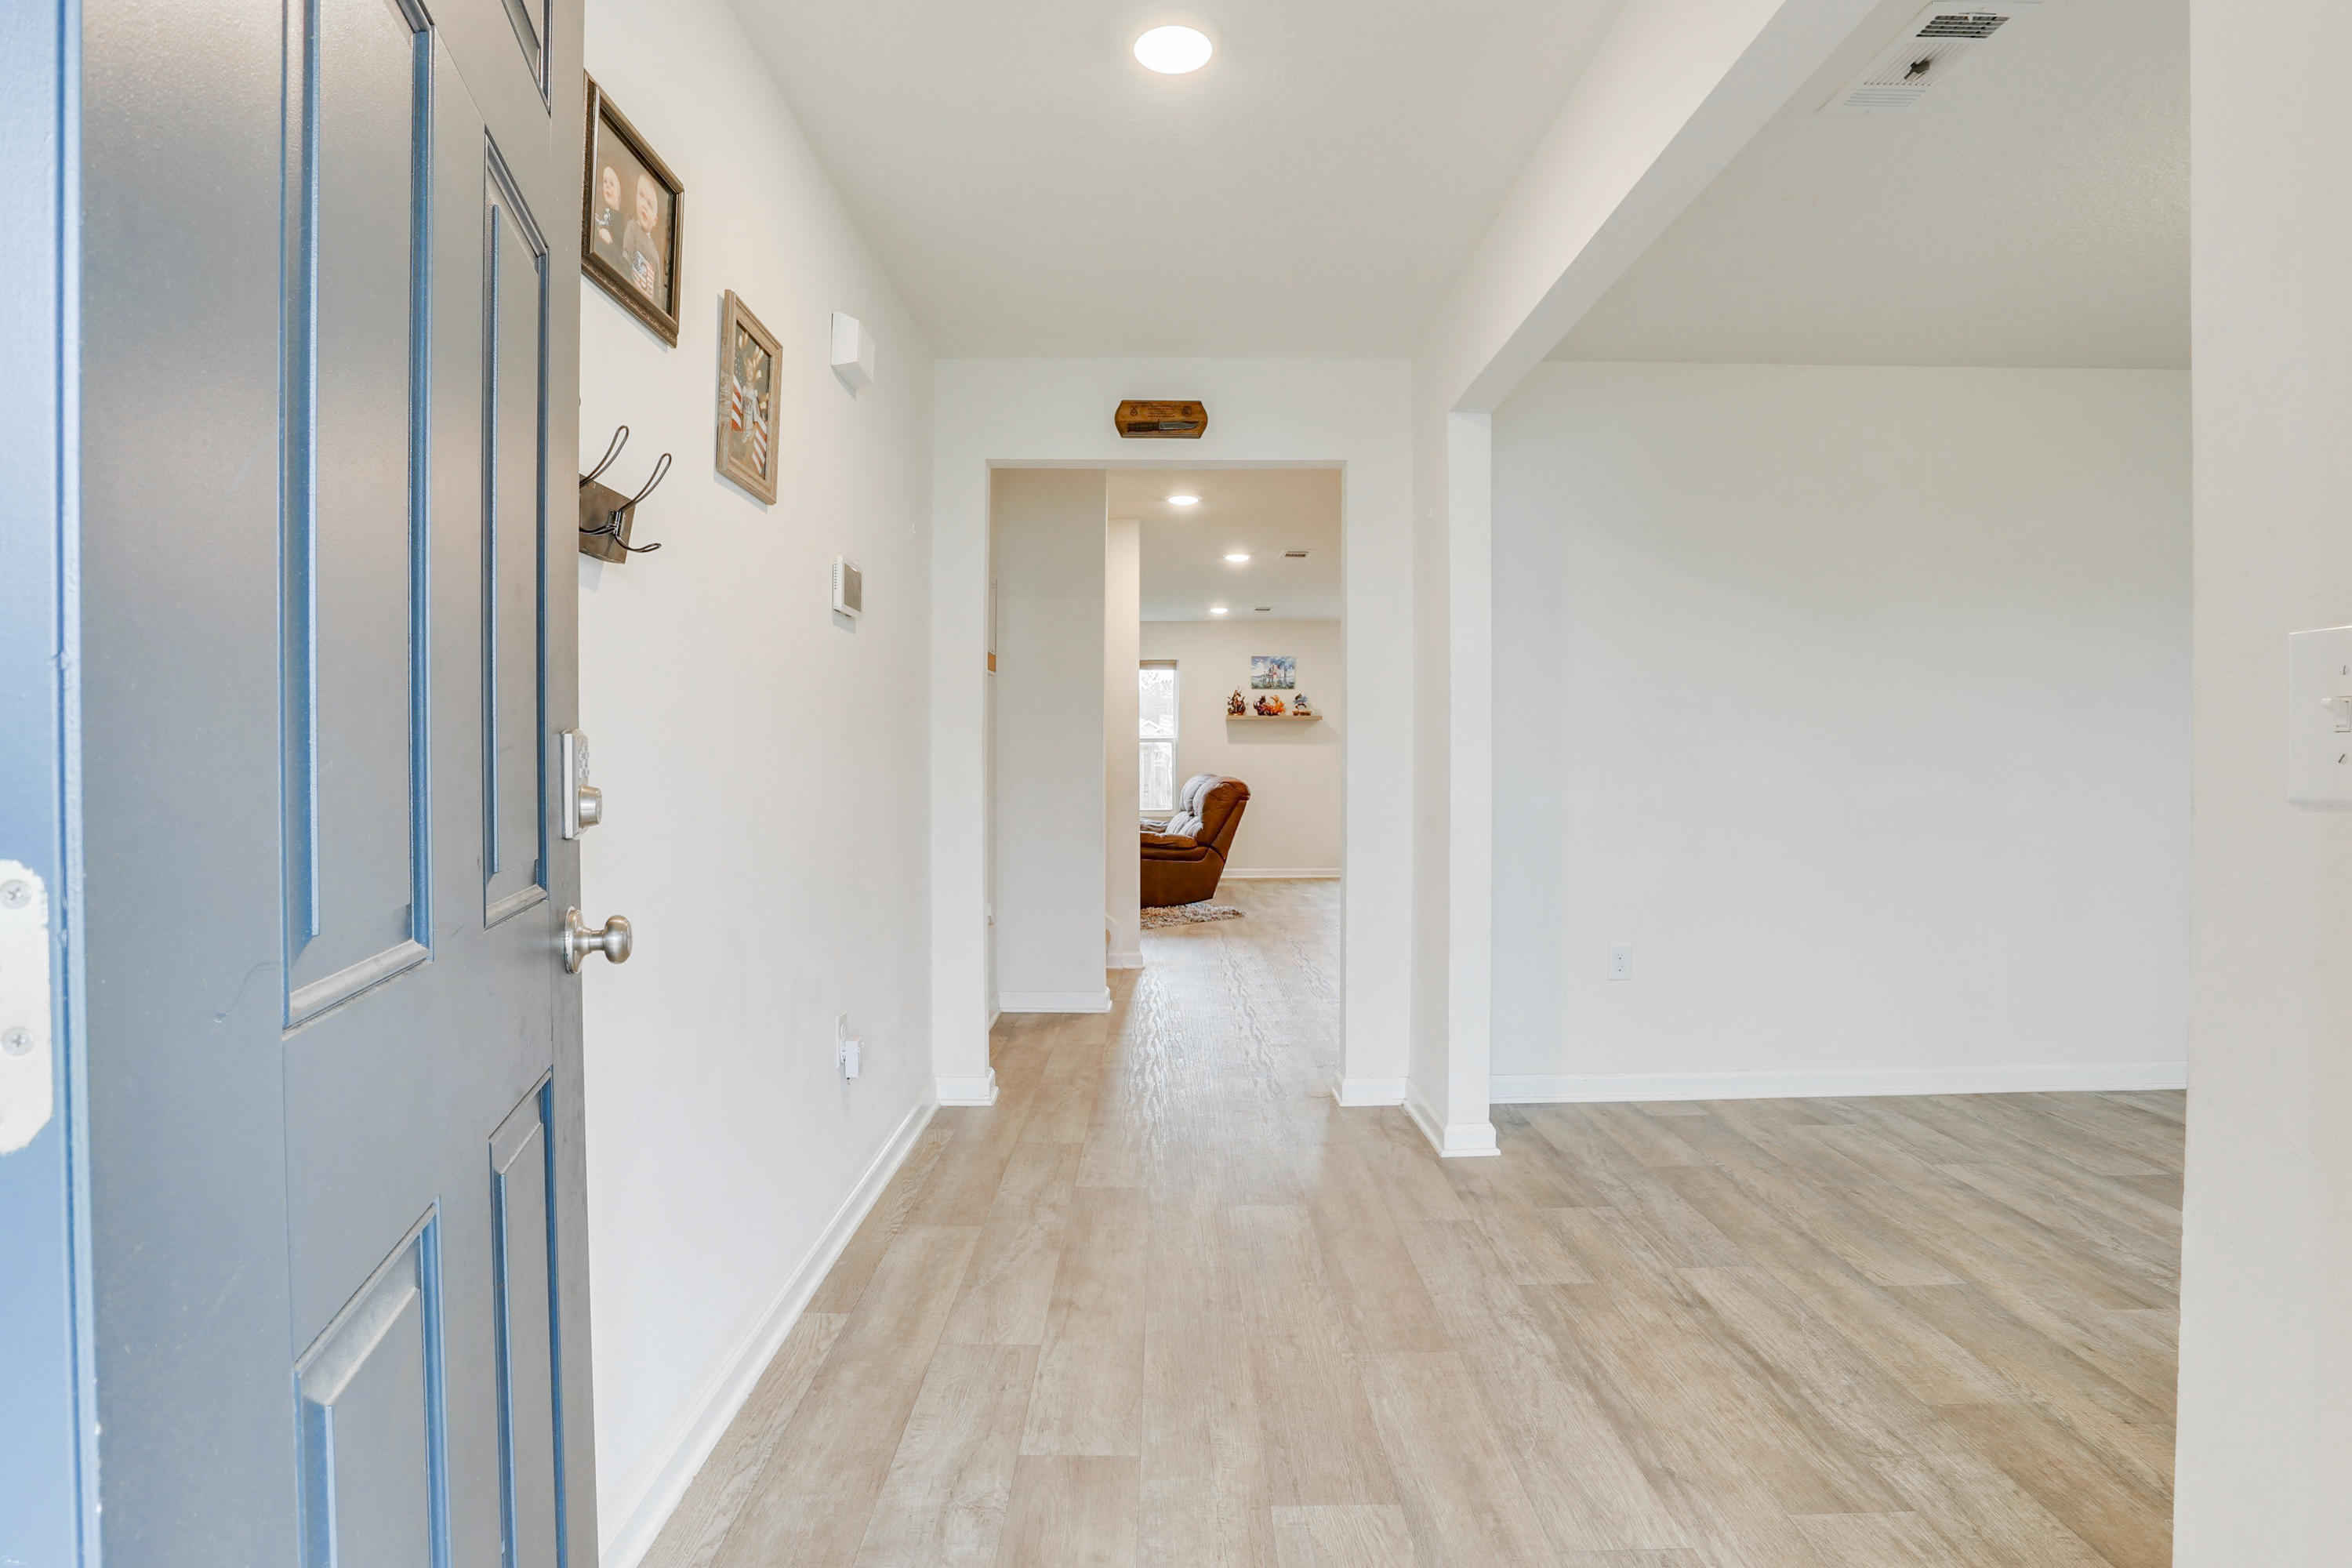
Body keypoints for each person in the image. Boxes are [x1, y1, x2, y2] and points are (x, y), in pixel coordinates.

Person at [619, 171, 666, 302]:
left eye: (650, 205)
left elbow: (657, 291)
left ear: (655, 220)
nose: (644, 205)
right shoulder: (632, 227)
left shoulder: (656, 254)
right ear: (636, 199)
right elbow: (626, 258)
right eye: (641, 196)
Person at [592, 163, 622, 256]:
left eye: (612, 184)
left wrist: (609, 242)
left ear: (620, 197)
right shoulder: (599, 213)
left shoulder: (619, 223)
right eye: (605, 182)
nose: (607, 186)